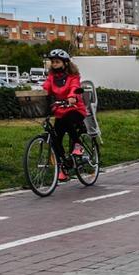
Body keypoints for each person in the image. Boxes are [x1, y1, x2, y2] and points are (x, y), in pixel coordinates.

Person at [41, 49, 87, 183]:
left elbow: (74, 87)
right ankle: (63, 167)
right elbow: (46, 88)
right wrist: (39, 94)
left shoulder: (73, 76)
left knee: (67, 120)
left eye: (57, 62)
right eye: (52, 62)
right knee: (55, 139)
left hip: (75, 109)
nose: (54, 64)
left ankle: (78, 145)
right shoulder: (51, 77)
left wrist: (72, 96)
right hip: (60, 110)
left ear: (65, 63)